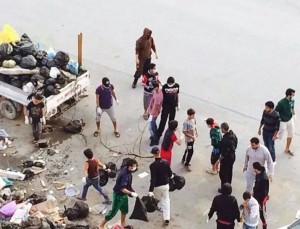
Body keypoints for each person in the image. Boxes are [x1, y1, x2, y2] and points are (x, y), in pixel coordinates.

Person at [99, 159, 138, 229]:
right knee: (113, 212)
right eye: (133, 166)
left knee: (124, 210)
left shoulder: (126, 169)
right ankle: (101, 225)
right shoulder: (125, 175)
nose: (135, 168)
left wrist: (131, 191)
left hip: (124, 195)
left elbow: (127, 186)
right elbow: (122, 189)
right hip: (118, 195)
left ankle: (123, 223)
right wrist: (131, 193)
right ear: (129, 166)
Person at [148, 147, 173, 226]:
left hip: (157, 186)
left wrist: (150, 190)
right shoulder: (165, 162)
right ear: (159, 153)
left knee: (156, 199)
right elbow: (170, 174)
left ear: (153, 154)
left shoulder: (152, 165)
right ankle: (166, 218)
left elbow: (153, 179)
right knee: (166, 201)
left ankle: (158, 207)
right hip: (166, 185)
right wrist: (172, 176)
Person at [156, 77, 180, 142]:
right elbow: (162, 96)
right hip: (166, 106)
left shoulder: (177, 86)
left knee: (171, 122)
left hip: (173, 106)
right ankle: (158, 135)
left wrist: (178, 103)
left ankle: (169, 136)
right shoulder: (165, 87)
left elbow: (177, 94)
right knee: (163, 121)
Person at [275, 88, 296, 156]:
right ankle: (270, 144)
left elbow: (292, 107)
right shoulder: (281, 103)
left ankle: (287, 149)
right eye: (293, 93)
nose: (294, 94)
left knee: (291, 134)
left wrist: (293, 113)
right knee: (278, 135)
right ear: (289, 94)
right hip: (283, 121)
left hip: (290, 119)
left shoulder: (292, 100)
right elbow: (276, 111)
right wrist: (279, 119)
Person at [218, 122, 238, 192]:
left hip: (226, 158)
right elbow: (235, 145)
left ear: (223, 129)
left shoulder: (225, 140)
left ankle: (224, 189)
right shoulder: (233, 135)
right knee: (229, 171)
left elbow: (223, 151)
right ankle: (229, 186)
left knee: (223, 174)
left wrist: (221, 157)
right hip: (232, 156)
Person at [253, 162, 269, 229]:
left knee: (261, 212)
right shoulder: (257, 175)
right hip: (256, 195)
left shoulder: (264, 178)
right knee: (255, 211)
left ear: (255, 169)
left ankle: (264, 224)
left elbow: (265, 191)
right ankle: (255, 224)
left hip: (261, 198)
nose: (253, 169)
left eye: (253, 168)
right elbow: (256, 184)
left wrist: (263, 201)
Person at [147, 82, 163, 146]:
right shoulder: (156, 92)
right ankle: (155, 136)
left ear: (156, 87)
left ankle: (155, 139)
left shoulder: (158, 96)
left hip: (153, 113)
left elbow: (155, 106)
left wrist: (151, 114)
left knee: (151, 127)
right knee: (153, 125)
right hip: (151, 111)